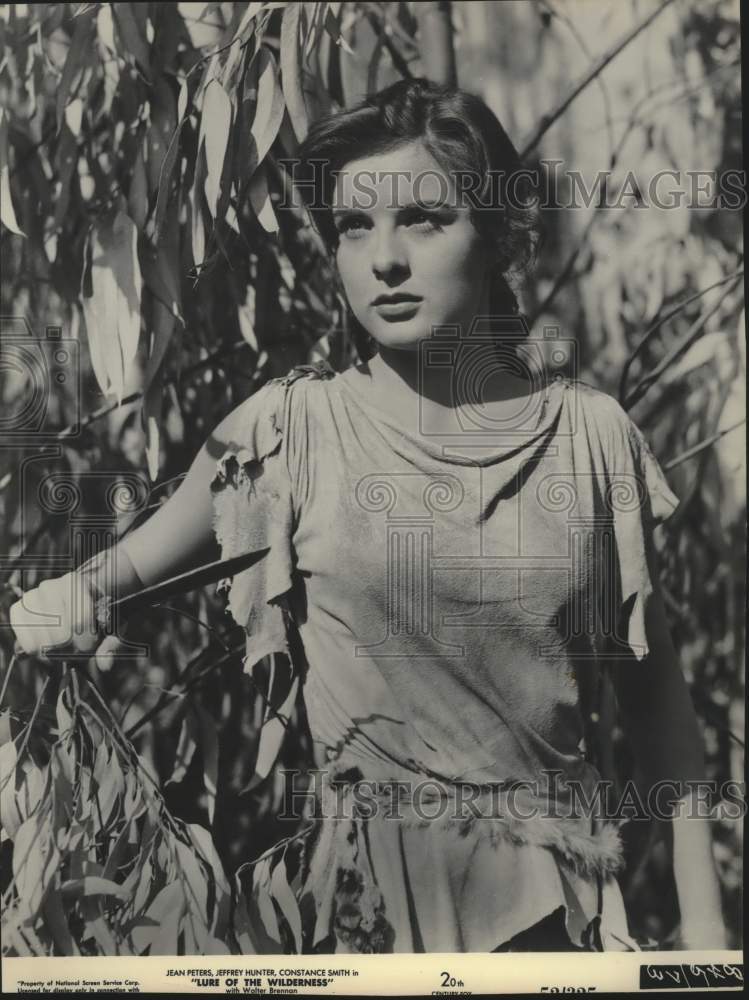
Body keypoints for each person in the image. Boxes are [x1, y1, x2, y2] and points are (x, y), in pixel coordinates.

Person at [10, 79, 727, 954]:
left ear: (498, 234)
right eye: (354, 226)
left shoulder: (590, 438)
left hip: (556, 918)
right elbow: (109, 577)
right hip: (365, 919)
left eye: (423, 219)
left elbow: (659, 709)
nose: (384, 258)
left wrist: (705, 934)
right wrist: (66, 604)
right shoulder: (288, 432)